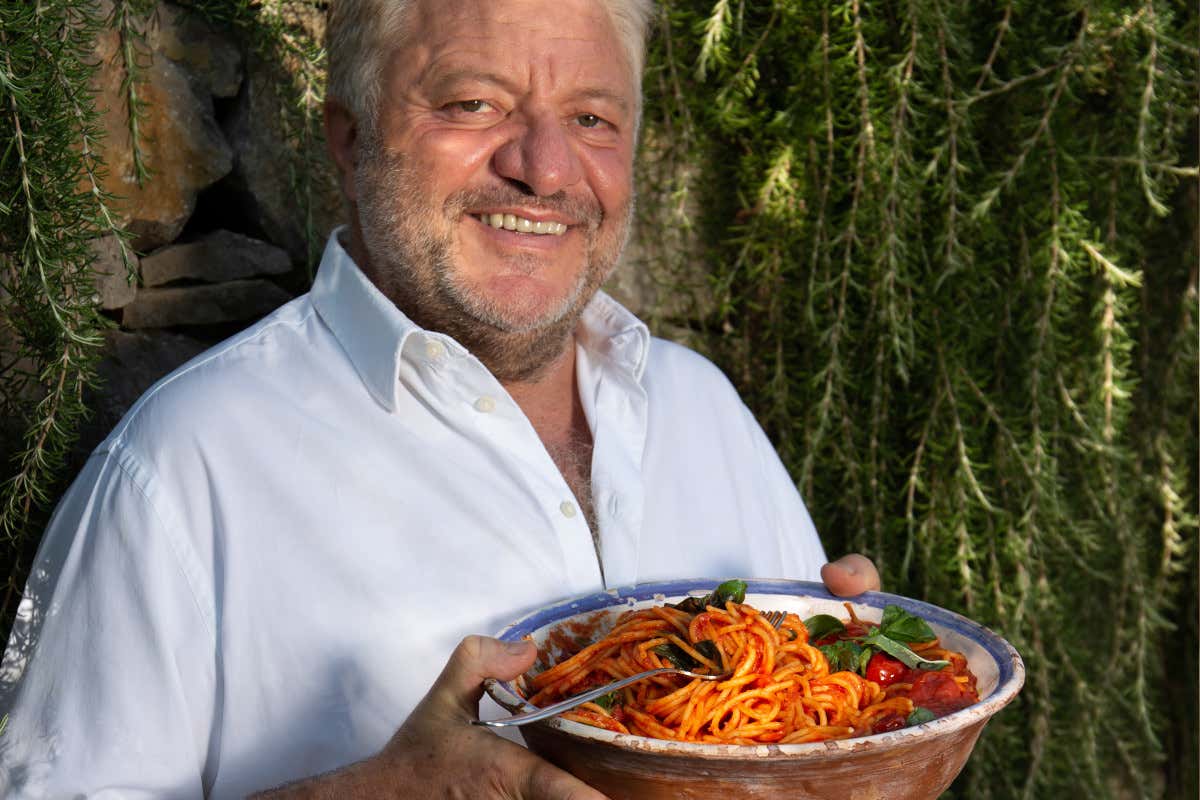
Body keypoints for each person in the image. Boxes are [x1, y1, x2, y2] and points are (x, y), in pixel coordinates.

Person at [0, 0, 880, 796]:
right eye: (474, 103)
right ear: (349, 141)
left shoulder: (704, 408)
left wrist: (863, 719)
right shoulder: (182, 464)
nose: (545, 169)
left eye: (591, 118)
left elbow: (815, 756)